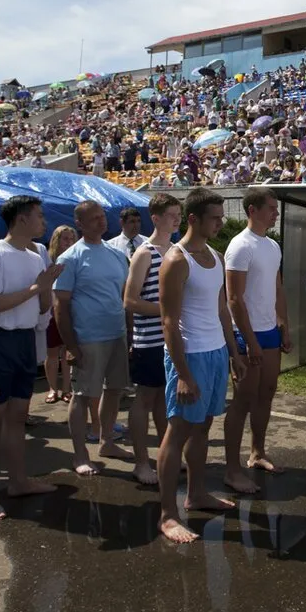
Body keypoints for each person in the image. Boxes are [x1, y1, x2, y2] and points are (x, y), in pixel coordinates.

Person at [0, 195, 62, 522]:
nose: (43, 222)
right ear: (21, 219)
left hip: (23, 339)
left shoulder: (37, 253)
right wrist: (37, 287)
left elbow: (40, 306)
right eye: (38, 215)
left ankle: (19, 482)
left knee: (18, 416)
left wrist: (45, 289)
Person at [156, 187, 240, 544]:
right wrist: (184, 375)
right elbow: (168, 323)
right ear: (194, 219)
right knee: (178, 432)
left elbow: (222, 309)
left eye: (222, 216)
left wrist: (234, 355)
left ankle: (196, 494)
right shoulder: (176, 260)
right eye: (215, 218)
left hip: (217, 353)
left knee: (203, 427)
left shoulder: (216, 256)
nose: (221, 223)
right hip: (189, 357)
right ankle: (167, 514)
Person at [55, 200, 132, 475]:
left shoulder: (115, 254)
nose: (101, 221)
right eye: (94, 218)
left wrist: (129, 333)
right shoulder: (71, 257)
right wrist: (71, 345)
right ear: (80, 223)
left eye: (102, 217)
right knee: (83, 394)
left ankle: (107, 441)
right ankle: (79, 454)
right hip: (88, 338)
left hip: (116, 334)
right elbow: (60, 306)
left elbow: (122, 296)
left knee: (114, 391)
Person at [223, 187, 291, 494]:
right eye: (271, 208)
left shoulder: (272, 245)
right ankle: (231, 467)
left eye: (276, 208)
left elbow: (277, 288)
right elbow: (234, 298)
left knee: (267, 392)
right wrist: (248, 340)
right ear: (253, 210)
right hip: (245, 332)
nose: (276, 213)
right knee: (243, 400)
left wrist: (284, 325)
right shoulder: (240, 246)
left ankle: (257, 452)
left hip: (269, 331)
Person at [123, 192, 182, 486]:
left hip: (170, 339)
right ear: (156, 218)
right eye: (172, 215)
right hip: (149, 340)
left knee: (164, 400)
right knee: (145, 399)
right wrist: (166, 311)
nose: (177, 219)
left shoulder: (175, 250)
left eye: (178, 214)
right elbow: (130, 301)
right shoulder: (145, 253)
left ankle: (164, 455)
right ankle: (140, 462)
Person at [43, 225, 78, 403]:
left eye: (71, 239)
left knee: (67, 352)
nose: (69, 242)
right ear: (57, 240)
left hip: (70, 311)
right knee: (51, 353)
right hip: (50, 312)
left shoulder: (76, 259)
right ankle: (52, 388)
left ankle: (66, 388)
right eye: (65, 238)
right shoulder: (48, 260)